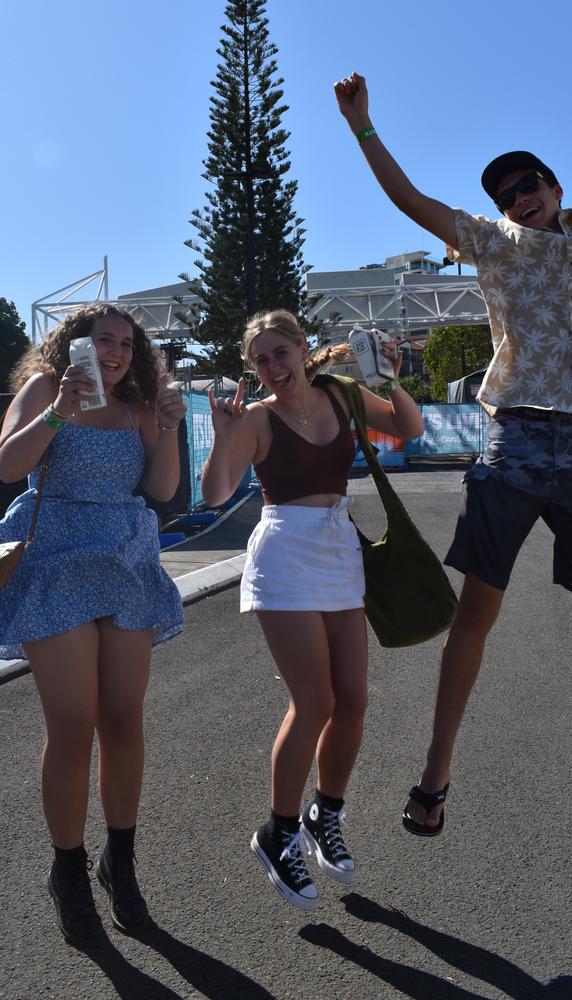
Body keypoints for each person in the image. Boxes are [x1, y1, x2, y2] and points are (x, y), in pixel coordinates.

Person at [334, 71, 572, 862]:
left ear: (554, 185)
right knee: (476, 612)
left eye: (527, 185)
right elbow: (414, 203)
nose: (517, 198)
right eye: (506, 193)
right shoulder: (494, 244)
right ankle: (436, 772)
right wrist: (363, 126)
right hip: (513, 444)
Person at [201, 309, 423, 908]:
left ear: (303, 350)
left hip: (337, 550)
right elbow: (215, 493)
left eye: (280, 352)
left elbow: (410, 428)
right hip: (284, 558)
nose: (273, 367)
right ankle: (277, 831)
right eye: (261, 359)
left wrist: (390, 380)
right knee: (315, 701)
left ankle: (325, 813)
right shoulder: (256, 418)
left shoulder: (341, 394)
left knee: (352, 700)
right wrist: (225, 438)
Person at [0, 304, 186, 945]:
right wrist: (58, 413)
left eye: (126, 345)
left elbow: (163, 490)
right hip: (53, 557)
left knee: (123, 721)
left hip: (125, 559)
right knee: (73, 725)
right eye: (102, 339)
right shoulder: (45, 389)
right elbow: (6, 466)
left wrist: (169, 428)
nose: (113, 352)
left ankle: (121, 862)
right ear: (74, 344)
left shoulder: (139, 410)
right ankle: (69, 871)